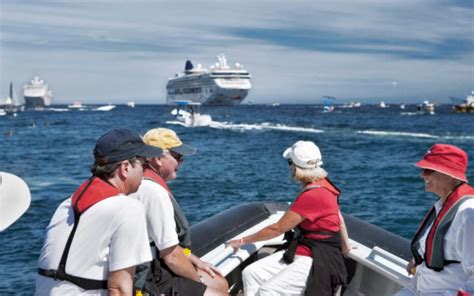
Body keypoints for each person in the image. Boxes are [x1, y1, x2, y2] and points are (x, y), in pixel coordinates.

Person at [35, 128, 163, 295]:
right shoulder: (128, 208)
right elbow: (118, 288)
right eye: (144, 164)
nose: (145, 171)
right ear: (125, 168)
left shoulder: (66, 205)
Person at [226, 140, 351, 296]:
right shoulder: (324, 184)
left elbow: (276, 229)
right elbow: (338, 215)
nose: (289, 167)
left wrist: (241, 241)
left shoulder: (313, 194)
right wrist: (345, 245)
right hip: (305, 249)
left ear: (295, 166)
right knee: (251, 273)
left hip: (318, 257)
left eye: (289, 163)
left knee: (268, 290)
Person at [132, 128, 228, 296]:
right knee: (219, 289)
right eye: (177, 156)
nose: (181, 161)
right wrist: (200, 284)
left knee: (220, 282)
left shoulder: (141, 183)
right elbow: (171, 257)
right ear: (157, 159)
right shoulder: (154, 192)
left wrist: (196, 261)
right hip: (149, 275)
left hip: (152, 264)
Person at [395, 144, 474, 296]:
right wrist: (416, 262)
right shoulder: (442, 206)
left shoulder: (468, 214)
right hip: (419, 288)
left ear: (449, 175)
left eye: (428, 171)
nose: (422, 175)